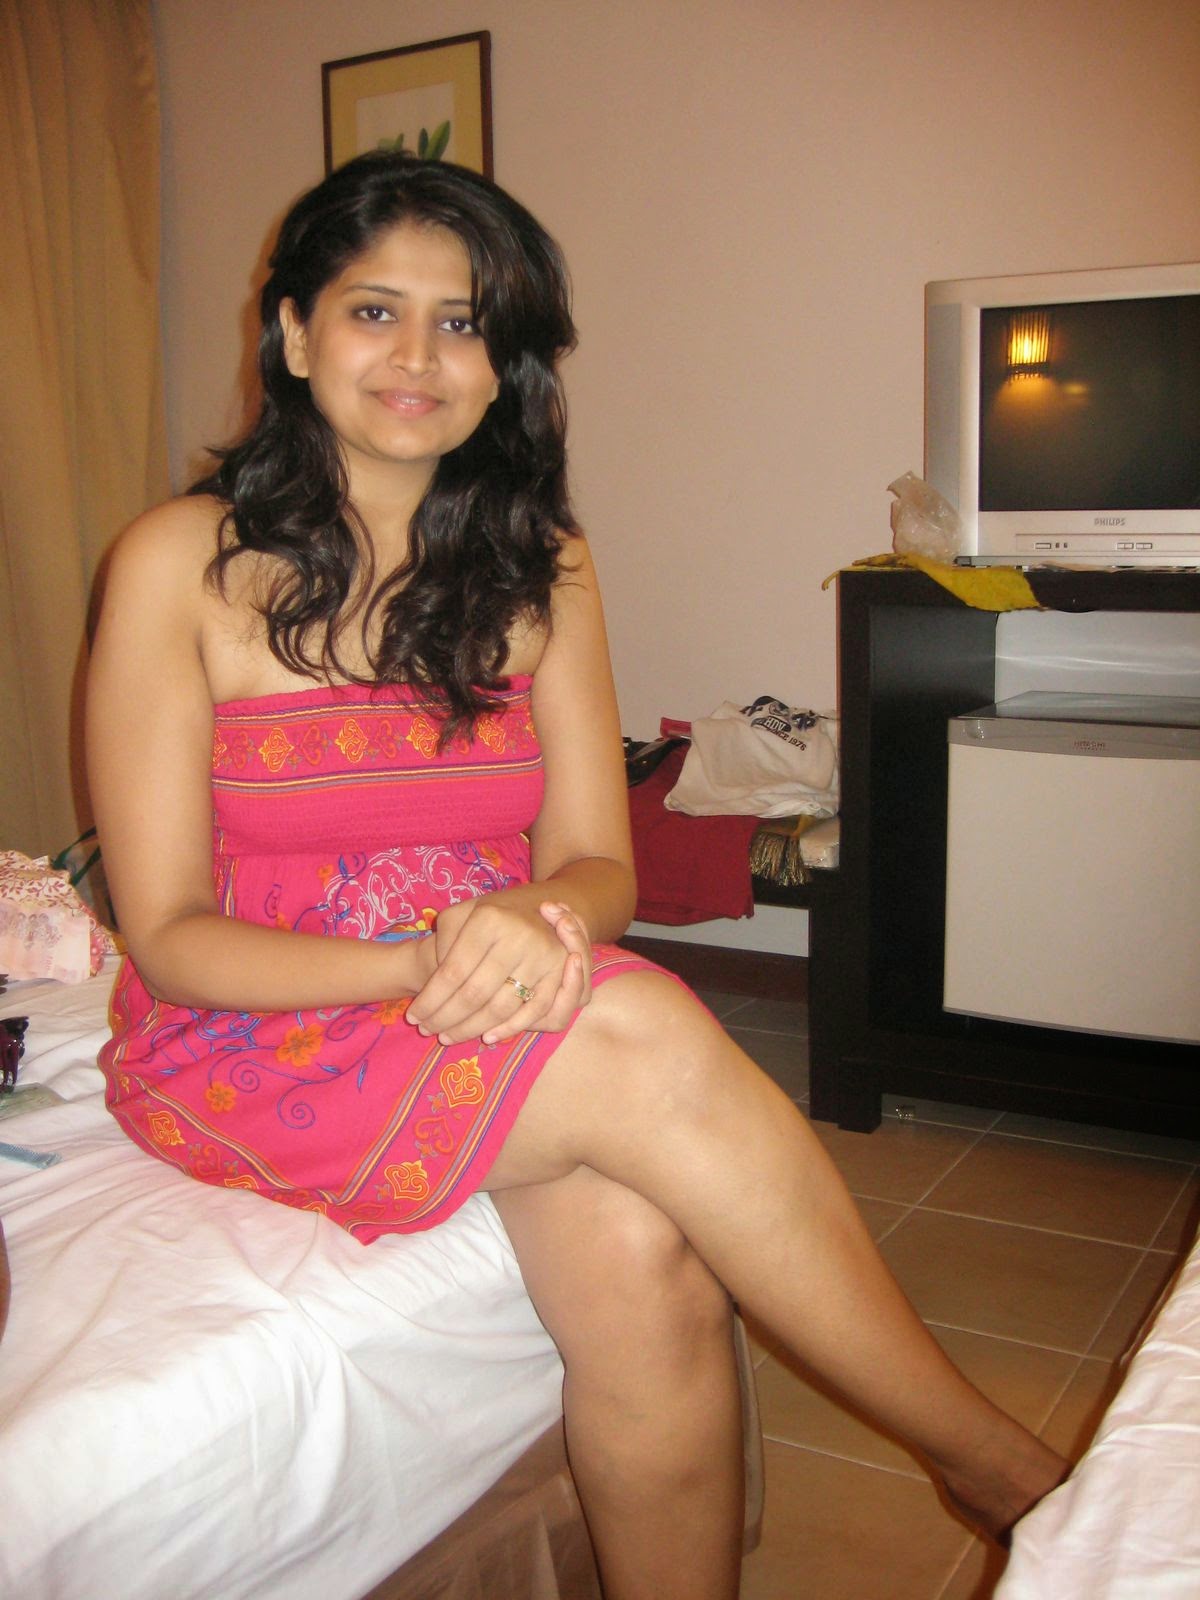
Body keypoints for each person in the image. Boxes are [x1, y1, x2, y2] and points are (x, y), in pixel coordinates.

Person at [87, 151, 1065, 1600]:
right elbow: (167, 933)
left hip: (504, 988)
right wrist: (426, 958)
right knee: (648, 1022)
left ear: (506, 369)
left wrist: (526, 925)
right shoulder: (177, 563)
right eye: (374, 311)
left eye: (465, 323)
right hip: (261, 1023)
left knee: (645, 1256)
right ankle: (1001, 1470)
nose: (419, 357)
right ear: (293, 333)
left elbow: (601, 864)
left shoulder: (546, 565)